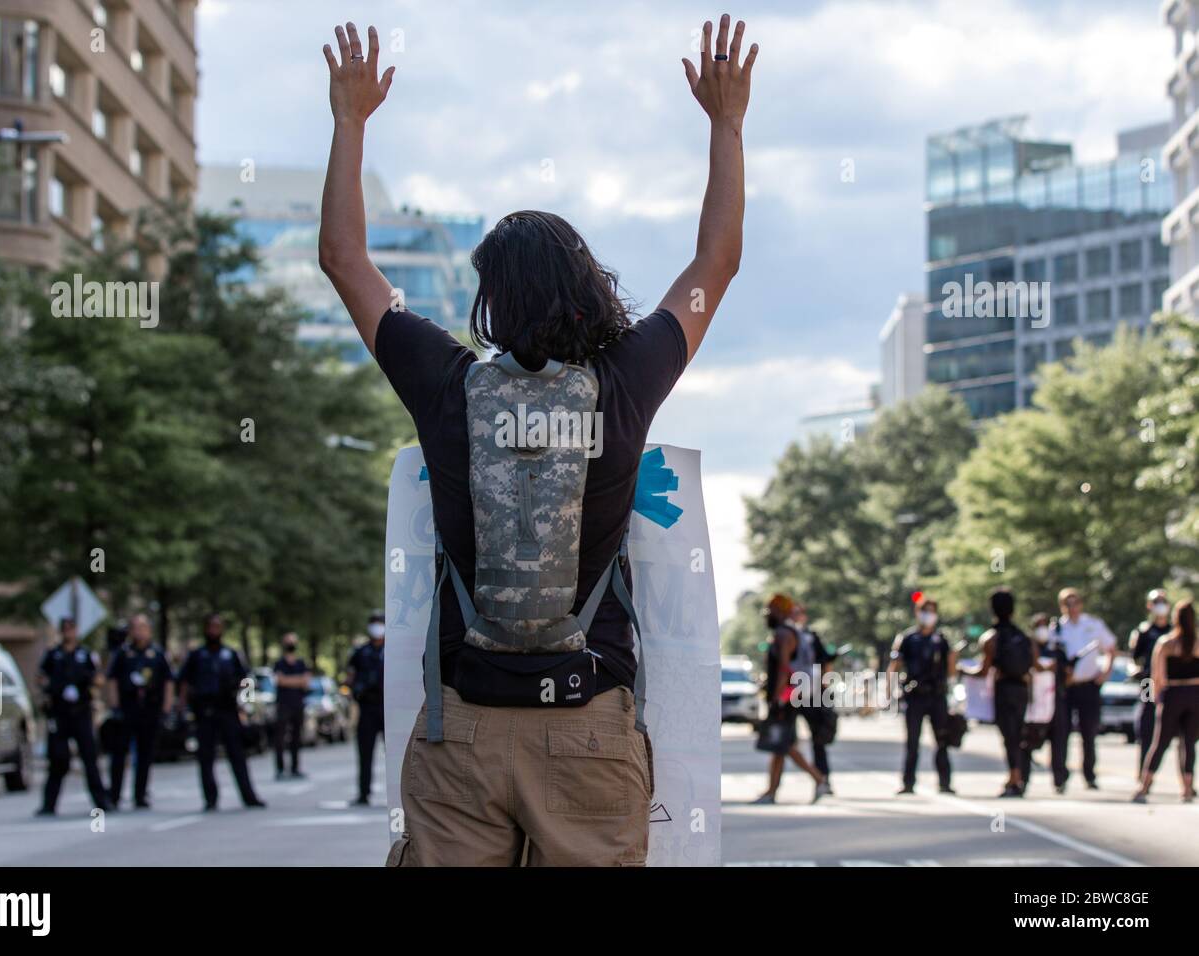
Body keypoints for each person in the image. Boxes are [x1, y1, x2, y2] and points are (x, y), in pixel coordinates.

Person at [318, 15, 755, 865]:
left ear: (490, 303)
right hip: (588, 728)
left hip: (464, 730)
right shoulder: (624, 382)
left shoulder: (447, 384)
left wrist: (350, 120)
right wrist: (726, 124)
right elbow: (718, 261)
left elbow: (343, 257)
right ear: (587, 285)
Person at [178, 613, 265, 811]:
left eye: (217, 627)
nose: (214, 631)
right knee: (206, 757)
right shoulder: (196, 655)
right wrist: (182, 707)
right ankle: (210, 799)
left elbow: (246, 680)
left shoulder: (231, 654)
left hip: (227, 709)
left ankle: (248, 795)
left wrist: (245, 702)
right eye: (211, 627)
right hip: (204, 710)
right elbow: (184, 682)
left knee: (237, 754)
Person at [961, 588, 1039, 797]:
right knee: (1019, 734)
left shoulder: (991, 638)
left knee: (1009, 737)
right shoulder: (1024, 637)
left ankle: (1014, 778)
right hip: (1022, 690)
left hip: (1004, 689)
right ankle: (1020, 776)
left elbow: (983, 670)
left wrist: (962, 669)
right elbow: (1035, 665)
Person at [754, 594, 826, 805]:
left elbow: (784, 668)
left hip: (785, 698)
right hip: (791, 696)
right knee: (779, 746)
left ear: (780, 611)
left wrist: (777, 697)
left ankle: (819, 779)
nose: (768, 615)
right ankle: (771, 791)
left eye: (771, 610)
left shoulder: (783, 634)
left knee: (784, 745)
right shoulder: (791, 632)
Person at [37, 617, 112, 816]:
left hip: (81, 712)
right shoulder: (53, 655)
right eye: (65, 629)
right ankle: (49, 804)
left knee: (89, 758)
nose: (68, 632)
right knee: (58, 759)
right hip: (60, 713)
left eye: (71, 629)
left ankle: (101, 801)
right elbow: (41, 677)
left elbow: (98, 678)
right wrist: (51, 687)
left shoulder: (85, 654)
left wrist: (89, 685)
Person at [1049, 587, 1116, 792]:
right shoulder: (1056, 629)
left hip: (1088, 685)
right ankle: (1060, 777)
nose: (1072, 607)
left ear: (1081, 604)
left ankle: (1089, 775)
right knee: (1061, 732)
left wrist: (1104, 674)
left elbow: (1111, 647)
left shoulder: (1093, 625)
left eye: (1075, 602)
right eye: (1067, 604)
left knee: (1089, 731)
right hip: (1065, 688)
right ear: (1062, 606)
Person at [888, 596, 956, 795]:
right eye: (925, 610)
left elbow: (951, 669)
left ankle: (945, 782)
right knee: (912, 742)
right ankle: (908, 783)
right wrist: (889, 689)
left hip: (937, 695)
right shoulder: (908, 638)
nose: (928, 615)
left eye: (932, 611)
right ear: (917, 613)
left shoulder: (941, 640)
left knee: (942, 740)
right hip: (915, 696)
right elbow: (895, 665)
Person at [105, 613, 173, 808]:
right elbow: (112, 680)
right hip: (127, 707)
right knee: (119, 753)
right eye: (135, 627)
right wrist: (115, 705)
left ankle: (140, 794)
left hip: (149, 708)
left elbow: (168, 681)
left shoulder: (157, 654)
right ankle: (114, 795)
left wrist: (166, 708)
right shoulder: (123, 653)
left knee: (145, 754)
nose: (139, 632)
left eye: (142, 627)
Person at [1134, 599, 1199, 804]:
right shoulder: (1197, 642)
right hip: (1195, 694)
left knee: (1160, 742)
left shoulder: (1166, 643)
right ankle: (1188, 789)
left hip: (1173, 693)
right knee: (1189, 744)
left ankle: (1144, 787)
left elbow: (1156, 677)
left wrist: (1153, 700)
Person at [791, 602, 837, 796]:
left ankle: (823, 779)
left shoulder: (811, 637)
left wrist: (825, 687)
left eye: (799, 613)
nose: (796, 616)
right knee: (784, 742)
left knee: (818, 740)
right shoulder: (785, 636)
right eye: (792, 613)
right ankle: (773, 787)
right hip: (791, 694)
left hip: (813, 694)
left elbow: (826, 662)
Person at [1019, 612, 1065, 790]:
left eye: (1045, 625)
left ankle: (1059, 780)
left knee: (1059, 741)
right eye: (1038, 625)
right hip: (1032, 702)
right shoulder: (1027, 649)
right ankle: (1023, 779)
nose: (1042, 629)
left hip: (1055, 701)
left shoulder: (1057, 650)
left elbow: (1066, 674)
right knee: (1027, 742)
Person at [1128, 589, 1172, 773]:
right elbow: (1133, 659)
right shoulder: (1143, 631)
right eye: (1156, 602)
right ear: (1149, 606)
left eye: (1163, 601)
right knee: (1146, 724)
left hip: (1171, 684)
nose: (1160, 605)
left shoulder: (1174, 631)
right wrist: (1134, 671)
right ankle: (1143, 771)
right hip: (1149, 683)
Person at [346, 611, 385, 805]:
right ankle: (363, 793)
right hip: (367, 706)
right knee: (365, 753)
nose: (377, 627)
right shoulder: (361, 652)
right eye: (374, 623)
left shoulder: (392, 650)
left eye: (380, 623)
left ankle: (397, 795)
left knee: (396, 754)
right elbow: (350, 677)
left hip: (387, 707)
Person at [272, 632, 311, 779]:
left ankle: (295, 768)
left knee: (296, 737)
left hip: (298, 704)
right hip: (283, 704)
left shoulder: (301, 663)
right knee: (280, 737)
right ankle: (280, 768)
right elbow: (280, 681)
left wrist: (289, 680)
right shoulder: (279, 663)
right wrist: (298, 680)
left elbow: (306, 682)